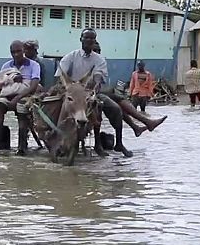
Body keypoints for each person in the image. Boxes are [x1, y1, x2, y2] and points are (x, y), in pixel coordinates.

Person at [56, 29, 166, 157]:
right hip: (71, 93)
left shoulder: (99, 59)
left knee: (114, 108)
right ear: (81, 39)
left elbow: (98, 76)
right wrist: (70, 86)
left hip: (91, 94)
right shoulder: (71, 56)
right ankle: (58, 137)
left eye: (92, 38)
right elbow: (61, 74)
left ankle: (117, 142)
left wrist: (94, 85)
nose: (89, 41)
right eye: (86, 38)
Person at [0, 40, 42, 154]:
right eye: (13, 52)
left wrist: (17, 97)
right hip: (9, 95)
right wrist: (11, 79)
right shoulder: (7, 66)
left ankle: (21, 147)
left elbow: (34, 85)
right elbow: (1, 83)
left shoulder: (34, 65)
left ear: (24, 51)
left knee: (22, 110)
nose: (16, 54)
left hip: (26, 95)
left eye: (18, 51)